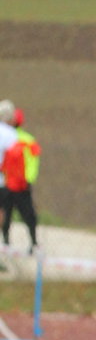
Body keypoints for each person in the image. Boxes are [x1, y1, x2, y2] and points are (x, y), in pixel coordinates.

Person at [0, 101, 41, 248]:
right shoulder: (21, 138)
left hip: (8, 181)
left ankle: (5, 242)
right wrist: (28, 179)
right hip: (17, 182)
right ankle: (33, 242)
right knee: (27, 214)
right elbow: (30, 160)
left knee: (5, 212)